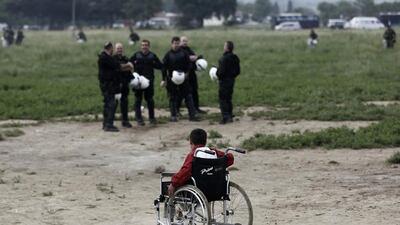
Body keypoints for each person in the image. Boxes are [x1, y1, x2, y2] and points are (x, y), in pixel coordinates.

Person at [167, 128, 234, 196]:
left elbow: (185, 171)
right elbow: (229, 158)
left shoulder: (194, 154)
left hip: (199, 188)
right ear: (205, 141)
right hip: (216, 188)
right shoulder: (213, 152)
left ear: (191, 142)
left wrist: (174, 183)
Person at [98, 42, 133, 132]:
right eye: (112, 48)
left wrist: (128, 67)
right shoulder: (106, 58)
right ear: (110, 48)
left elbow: (119, 68)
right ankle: (109, 125)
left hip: (108, 84)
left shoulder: (105, 57)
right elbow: (119, 66)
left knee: (108, 104)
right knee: (111, 104)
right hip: (107, 85)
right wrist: (129, 65)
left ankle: (106, 124)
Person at [162, 36, 199, 122]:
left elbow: (189, 64)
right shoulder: (168, 55)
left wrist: (187, 74)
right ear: (172, 44)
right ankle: (173, 115)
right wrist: (164, 79)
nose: (176, 45)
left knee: (188, 96)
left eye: (178, 43)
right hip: (172, 79)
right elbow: (164, 68)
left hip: (183, 78)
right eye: (175, 43)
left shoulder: (184, 53)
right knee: (172, 97)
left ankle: (192, 115)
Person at [130, 39, 163, 125]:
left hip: (149, 82)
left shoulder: (152, 56)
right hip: (138, 82)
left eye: (146, 45)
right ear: (141, 46)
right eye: (143, 45)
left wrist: (154, 64)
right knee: (138, 100)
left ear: (149, 46)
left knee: (150, 100)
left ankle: (151, 118)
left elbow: (160, 66)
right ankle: (139, 119)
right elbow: (129, 64)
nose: (144, 46)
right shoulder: (136, 55)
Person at [178, 36, 206, 114]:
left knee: (195, 91)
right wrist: (195, 57)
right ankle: (177, 110)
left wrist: (198, 58)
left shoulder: (189, 49)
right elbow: (188, 58)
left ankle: (196, 108)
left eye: (186, 41)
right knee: (182, 93)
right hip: (183, 74)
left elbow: (194, 57)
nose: (185, 42)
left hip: (192, 73)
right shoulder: (179, 50)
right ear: (180, 42)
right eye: (183, 41)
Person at [216, 41, 240, 124]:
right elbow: (238, 71)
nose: (223, 47)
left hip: (224, 81)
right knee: (229, 98)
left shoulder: (224, 58)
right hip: (231, 80)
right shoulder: (235, 57)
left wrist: (217, 74)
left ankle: (225, 117)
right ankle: (230, 114)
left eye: (224, 45)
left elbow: (221, 72)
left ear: (227, 47)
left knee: (223, 99)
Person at [113, 43, 133, 128]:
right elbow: (118, 68)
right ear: (115, 49)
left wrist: (124, 67)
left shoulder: (125, 58)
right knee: (114, 103)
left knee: (124, 103)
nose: (119, 50)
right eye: (118, 48)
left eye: (120, 48)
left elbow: (131, 68)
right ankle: (109, 121)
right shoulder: (112, 59)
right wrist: (126, 66)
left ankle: (125, 121)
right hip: (116, 84)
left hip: (125, 84)